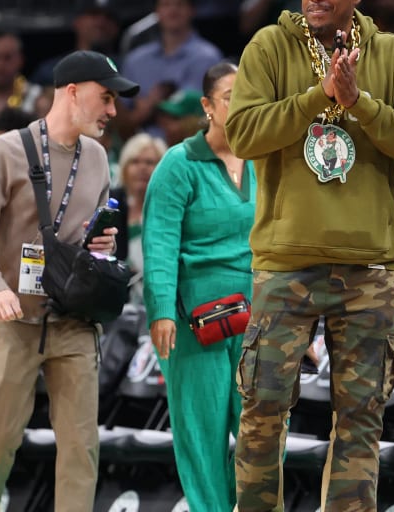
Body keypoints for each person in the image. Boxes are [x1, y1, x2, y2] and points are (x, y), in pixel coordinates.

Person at [226, 0, 394, 511]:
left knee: (361, 417)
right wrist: (315, 97)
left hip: (369, 268)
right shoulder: (268, 47)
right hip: (285, 262)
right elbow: (242, 135)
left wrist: (360, 103)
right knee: (262, 409)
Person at [0, 50, 138, 511]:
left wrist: (102, 247)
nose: (113, 110)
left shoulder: (98, 157)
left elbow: (87, 242)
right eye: (106, 97)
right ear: (72, 92)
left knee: (81, 446)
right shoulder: (6, 150)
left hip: (73, 319)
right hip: (12, 319)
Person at [143, 62, 255, 511]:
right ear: (208, 106)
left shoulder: (266, 160)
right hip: (195, 322)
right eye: (230, 96)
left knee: (265, 432)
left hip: (258, 317)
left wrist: (297, 320)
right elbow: (159, 243)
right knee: (202, 437)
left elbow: (284, 244)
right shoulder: (179, 163)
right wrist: (161, 311)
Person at [121, 0, 223, 139]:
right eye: (166, 4)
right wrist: (146, 108)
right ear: (156, 12)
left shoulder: (209, 57)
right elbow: (119, 117)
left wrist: (185, 124)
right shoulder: (135, 60)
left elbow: (218, 113)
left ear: (192, 11)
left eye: (180, 4)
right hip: (141, 147)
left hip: (193, 145)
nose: (173, 10)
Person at [109, 132, 168, 288]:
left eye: (150, 162)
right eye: (135, 161)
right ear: (124, 167)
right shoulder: (111, 202)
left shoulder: (171, 206)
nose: (142, 168)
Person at [31, 0, 122, 87]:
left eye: (109, 17)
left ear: (117, 28)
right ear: (77, 22)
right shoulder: (50, 70)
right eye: (93, 14)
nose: (101, 22)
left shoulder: (127, 67)